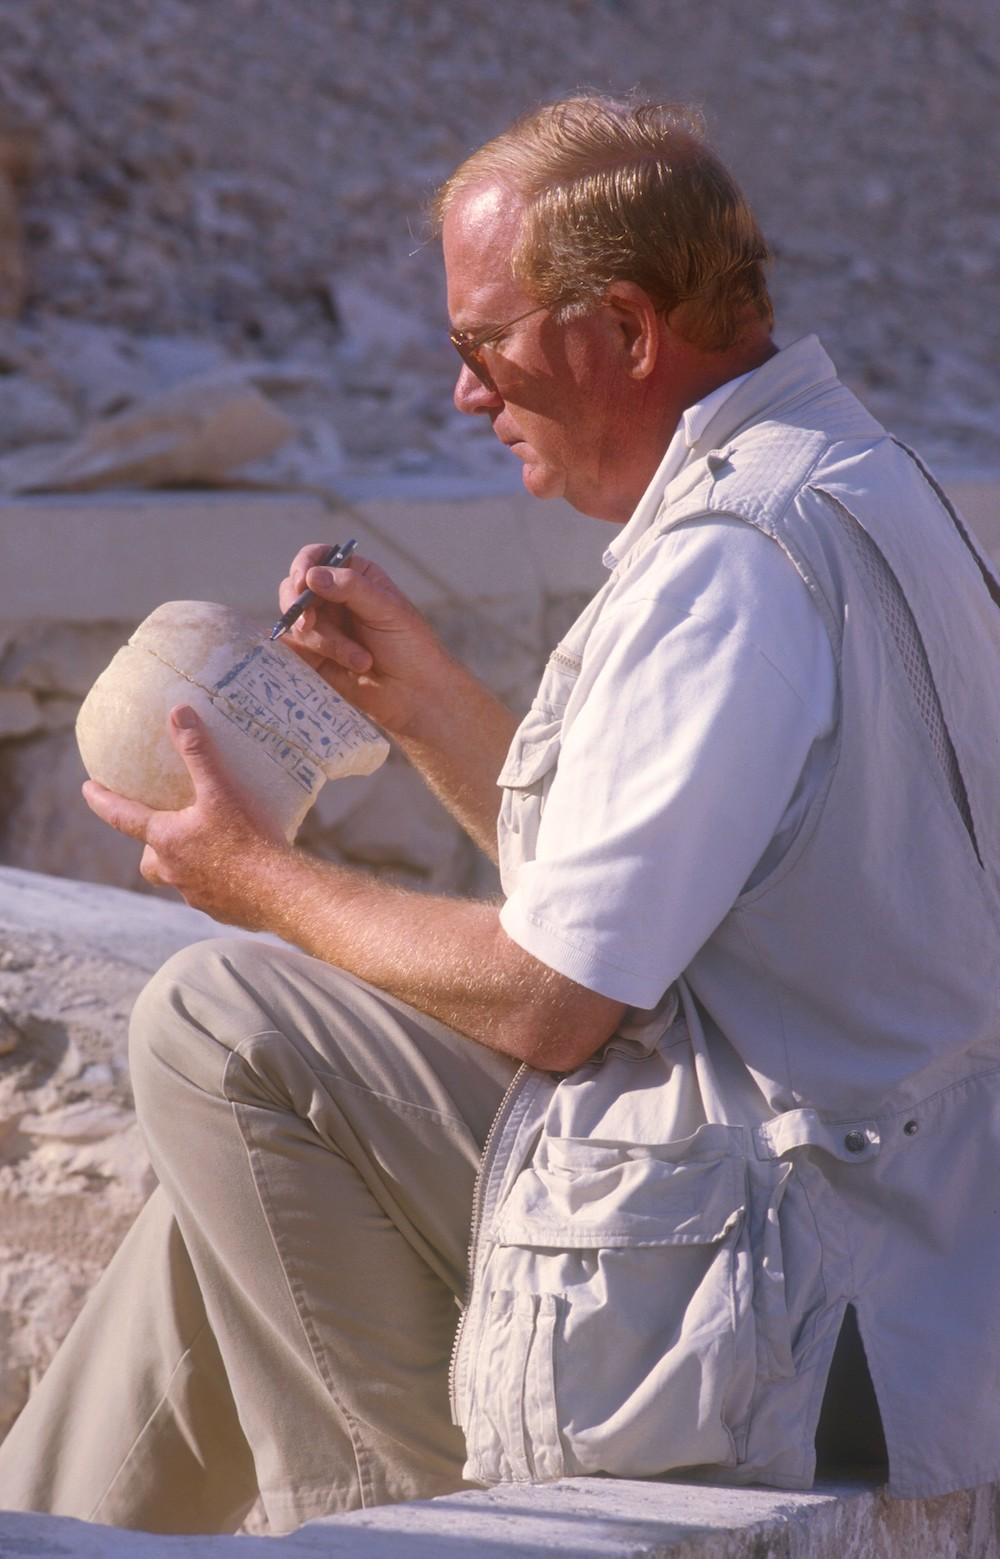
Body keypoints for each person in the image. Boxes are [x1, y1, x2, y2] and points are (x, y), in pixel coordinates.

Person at [2, 92, 999, 1534]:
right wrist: (420, 707)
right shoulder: (847, 481)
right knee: (219, 1221)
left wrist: (257, 880)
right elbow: (633, 897)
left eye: (483, 345)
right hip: (853, 1221)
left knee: (221, 1024)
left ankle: (413, 1516)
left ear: (628, 333)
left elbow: (557, 998)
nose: (465, 395)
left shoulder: (732, 565)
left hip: (794, 1275)